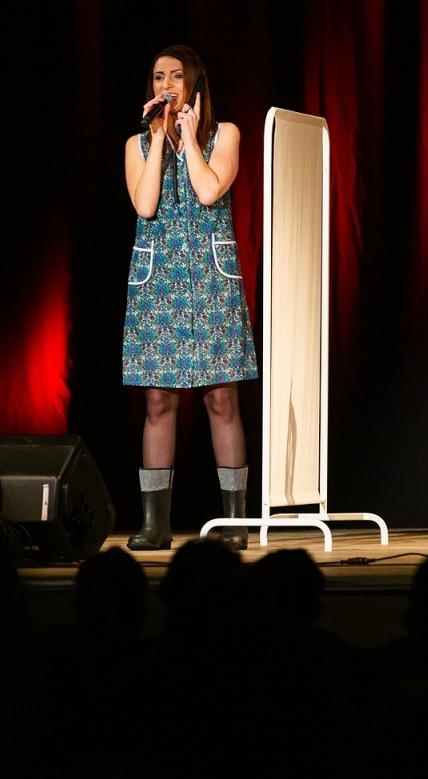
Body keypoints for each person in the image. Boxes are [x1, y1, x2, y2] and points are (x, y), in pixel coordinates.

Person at [122, 45, 258, 550]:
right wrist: (159, 138)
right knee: (158, 401)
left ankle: (234, 522)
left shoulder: (226, 135)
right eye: (159, 77)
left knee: (221, 398)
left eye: (177, 76)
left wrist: (189, 138)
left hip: (210, 279)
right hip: (157, 281)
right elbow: (145, 204)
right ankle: (155, 525)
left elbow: (207, 191)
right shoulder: (136, 144)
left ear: (195, 84)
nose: (166, 85)